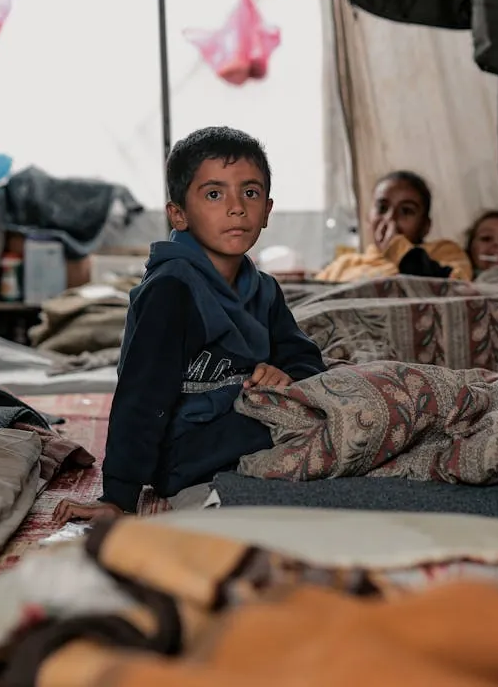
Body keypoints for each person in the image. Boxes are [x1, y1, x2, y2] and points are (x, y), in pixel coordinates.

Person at [53, 127, 327, 525]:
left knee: (333, 396)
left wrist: (285, 373)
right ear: (178, 214)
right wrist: (119, 495)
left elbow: (303, 358)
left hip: (241, 420)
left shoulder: (264, 290)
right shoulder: (171, 290)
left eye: (249, 193)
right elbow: (142, 394)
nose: (236, 208)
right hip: (183, 448)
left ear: (267, 210)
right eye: (214, 194)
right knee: (323, 427)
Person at [315, 171, 473, 282]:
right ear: (368, 218)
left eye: (406, 211)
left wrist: (396, 247)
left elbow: (455, 288)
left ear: (425, 225)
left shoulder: (443, 253)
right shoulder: (344, 265)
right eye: (382, 208)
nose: (390, 218)